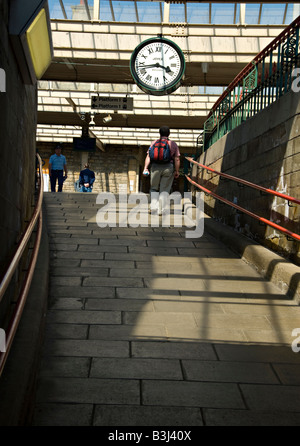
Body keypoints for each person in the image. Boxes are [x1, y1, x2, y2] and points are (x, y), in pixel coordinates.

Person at [143, 126, 180, 214]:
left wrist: (145, 168)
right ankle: (161, 210)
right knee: (165, 190)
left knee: (153, 188)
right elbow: (177, 159)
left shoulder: (154, 143)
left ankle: (153, 208)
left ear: (159, 133)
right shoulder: (173, 144)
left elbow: (148, 156)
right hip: (168, 168)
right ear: (169, 134)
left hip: (155, 167)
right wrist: (177, 171)